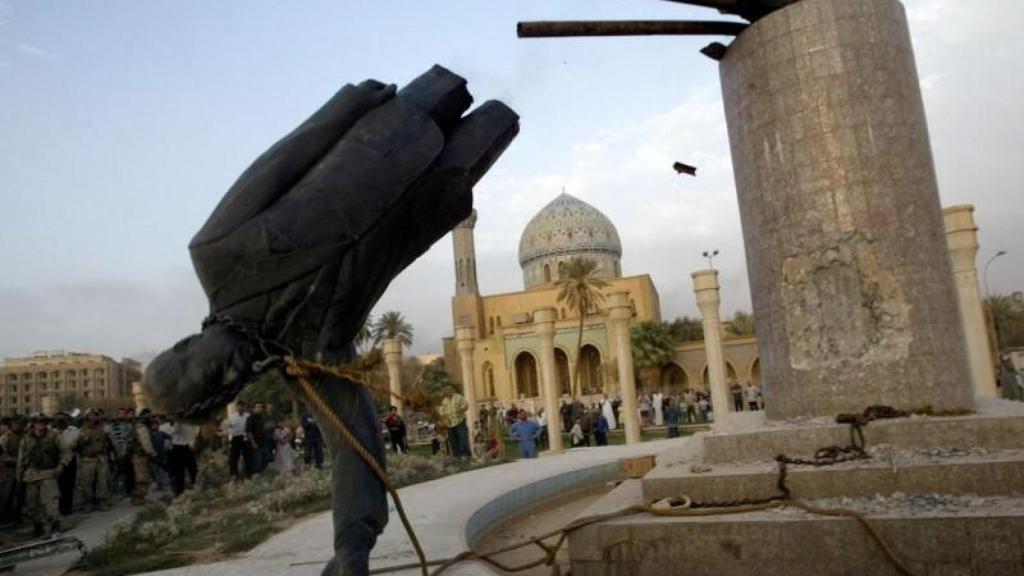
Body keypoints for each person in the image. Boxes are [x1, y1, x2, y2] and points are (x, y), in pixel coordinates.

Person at [18, 414, 68, 538]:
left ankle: (55, 526)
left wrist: (61, 465)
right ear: (33, 423)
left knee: (50, 502)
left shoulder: (54, 436)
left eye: (42, 421)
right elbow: (21, 458)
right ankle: (38, 526)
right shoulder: (27, 438)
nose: (40, 424)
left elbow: (66, 452)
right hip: (31, 474)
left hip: (48, 473)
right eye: (37, 422)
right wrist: (19, 476)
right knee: (32, 504)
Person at [74, 410, 114, 511]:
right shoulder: (81, 431)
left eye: (95, 417)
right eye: (90, 417)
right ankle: (88, 503)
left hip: (101, 458)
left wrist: (118, 454)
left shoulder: (104, 430)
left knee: (102, 482)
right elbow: (74, 446)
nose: (93, 420)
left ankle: (102, 502)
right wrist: (82, 440)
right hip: (87, 459)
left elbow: (112, 443)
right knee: (86, 483)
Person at [1, 416, 27, 525]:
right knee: (7, 494)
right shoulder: (5, 438)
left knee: (21, 494)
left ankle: (18, 516)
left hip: (22, 469)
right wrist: (16, 460)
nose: (17, 426)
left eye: (19, 424)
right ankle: (6, 517)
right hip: (9, 470)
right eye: (14, 424)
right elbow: (3, 455)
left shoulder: (25, 436)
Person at [53, 414, 78, 516]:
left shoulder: (74, 431)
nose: (61, 422)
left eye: (63, 420)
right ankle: (58, 508)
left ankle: (67, 508)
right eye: (58, 420)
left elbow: (76, 443)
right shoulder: (52, 432)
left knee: (69, 485)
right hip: (57, 462)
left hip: (71, 460)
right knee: (58, 485)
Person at [131, 411, 158, 505]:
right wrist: (153, 454)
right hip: (140, 456)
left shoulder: (143, 427)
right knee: (142, 478)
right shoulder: (142, 428)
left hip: (141, 456)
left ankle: (140, 497)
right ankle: (138, 498)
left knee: (145, 477)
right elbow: (146, 444)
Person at [168, 415, 198, 496]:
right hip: (183, 447)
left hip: (180, 447)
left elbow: (172, 432)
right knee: (189, 468)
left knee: (182, 470)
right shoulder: (188, 423)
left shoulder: (179, 423)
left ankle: (180, 489)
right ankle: (187, 486)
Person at [440, 386, 470, 459]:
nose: (448, 392)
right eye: (446, 391)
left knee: (463, 438)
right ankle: (457, 457)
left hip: (460, 421)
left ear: (452, 390)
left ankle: (467, 455)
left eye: (449, 390)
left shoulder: (459, 397)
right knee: (453, 441)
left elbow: (466, 405)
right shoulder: (444, 401)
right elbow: (442, 411)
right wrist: (444, 419)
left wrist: (461, 409)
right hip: (450, 424)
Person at [227, 402, 251, 481]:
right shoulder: (232, 417)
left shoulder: (248, 416)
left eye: (241, 407)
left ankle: (248, 474)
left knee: (247, 457)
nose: (240, 408)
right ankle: (234, 474)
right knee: (233, 457)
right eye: (238, 407)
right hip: (235, 437)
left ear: (244, 407)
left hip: (245, 437)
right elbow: (228, 428)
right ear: (237, 408)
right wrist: (230, 438)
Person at [246, 402, 269, 474]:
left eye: (261, 407)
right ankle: (255, 476)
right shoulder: (250, 418)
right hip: (255, 443)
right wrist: (253, 443)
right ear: (254, 408)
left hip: (263, 442)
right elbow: (249, 431)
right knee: (257, 462)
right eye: (258, 407)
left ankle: (261, 475)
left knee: (265, 460)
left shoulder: (262, 418)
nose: (260, 409)